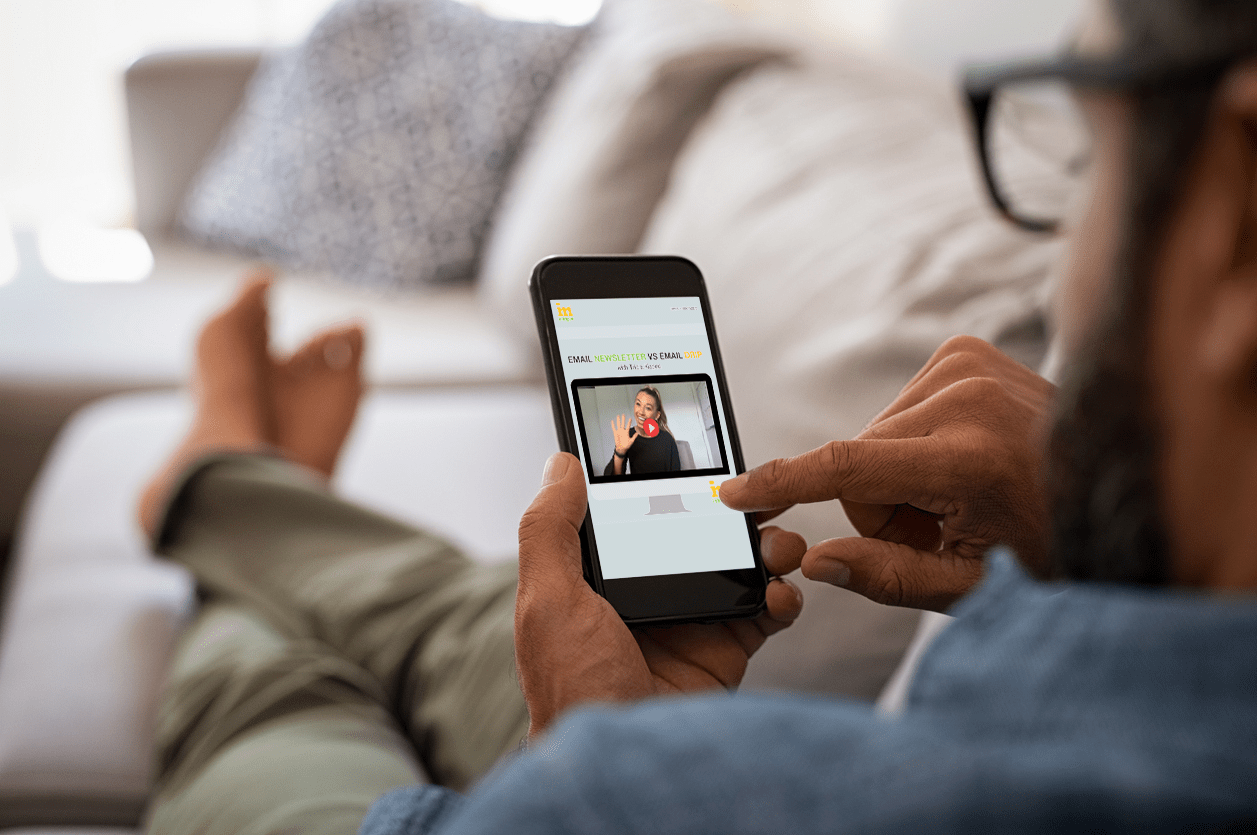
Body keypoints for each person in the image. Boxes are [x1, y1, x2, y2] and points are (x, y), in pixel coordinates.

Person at [139, 0, 1257, 831]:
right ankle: (256, 493)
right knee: (469, 613)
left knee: (278, 690)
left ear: (1239, 224)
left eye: (1083, 160)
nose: (1066, 268)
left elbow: (623, 791)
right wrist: (1102, 547)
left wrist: (594, 758)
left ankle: (223, 480)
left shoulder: (630, 795)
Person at [602, 385, 681, 475]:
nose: (641, 412)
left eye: (648, 408)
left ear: (657, 415)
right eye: (638, 404)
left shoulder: (667, 439)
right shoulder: (628, 435)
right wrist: (619, 453)